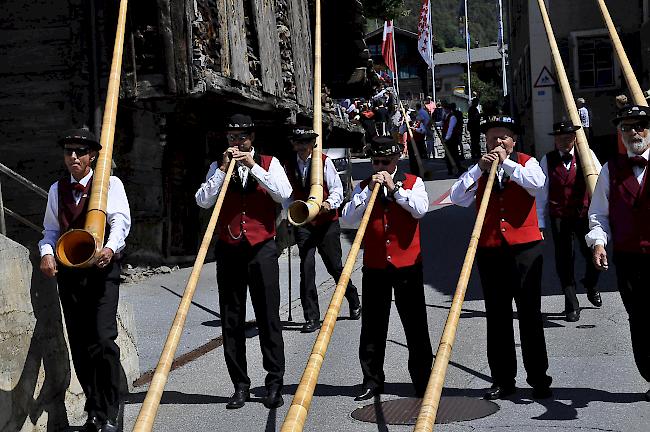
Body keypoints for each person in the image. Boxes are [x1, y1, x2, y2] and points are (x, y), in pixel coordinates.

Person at [450, 116, 553, 401]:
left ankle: (538, 378)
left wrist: (506, 162)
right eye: (492, 138)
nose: (497, 143)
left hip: (525, 250)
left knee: (530, 316)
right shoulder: (480, 169)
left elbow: (536, 183)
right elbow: (457, 197)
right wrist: (478, 170)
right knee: (497, 317)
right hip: (491, 249)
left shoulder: (527, 162)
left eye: (502, 138)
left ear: (513, 140)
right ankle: (503, 379)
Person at [195, 114, 292, 409]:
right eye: (233, 138)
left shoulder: (270, 163)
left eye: (243, 138)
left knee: (268, 317)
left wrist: (253, 166)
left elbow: (283, 194)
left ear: (252, 138)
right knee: (232, 319)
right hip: (229, 249)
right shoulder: (218, 167)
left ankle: (274, 382)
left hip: (262, 248)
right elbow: (203, 200)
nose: (238, 143)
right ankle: (240, 384)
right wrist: (223, 171)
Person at [39, 129, 131, 432]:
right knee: (80, 344)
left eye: (79, 152)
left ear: (92, 156)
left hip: (103, 271)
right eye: (69, 153)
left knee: (103, 340)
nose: (73, 158)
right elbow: (51, 230)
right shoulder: (56, 189)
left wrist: (109, 247)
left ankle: (112, 409)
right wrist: (47, 253)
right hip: (70, 273)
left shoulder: (110, 183)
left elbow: (120, 221)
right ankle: (94, 410)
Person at [341, 136, 433, 401]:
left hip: (407, 265)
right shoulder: (363, 187)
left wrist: (394, 190)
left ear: (396, 161)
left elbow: (420, 210)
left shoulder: (413, 183)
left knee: (415, 325)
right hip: (376, 264)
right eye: (376, 161)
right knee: (372, 326)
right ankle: (372, 379)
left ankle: (422, 380)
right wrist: (369, 191)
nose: (380, 166)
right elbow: (347, 219)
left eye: (386, 161)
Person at [586, 105, 650, 402]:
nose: (634, 131)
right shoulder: (611, 169)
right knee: (638, 318)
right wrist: (598, 242)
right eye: (627, 127)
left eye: (641, 125)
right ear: (620, 133)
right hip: (628, 259)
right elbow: (598, 212)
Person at [283, 127, 361, 333]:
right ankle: (311, 317)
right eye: (298, 143)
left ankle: (353, 299)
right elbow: (287, 194)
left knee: (334, 267)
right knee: (306, 269)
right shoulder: (289, 164)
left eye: (305, 143)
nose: (301, 147)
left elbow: (337, 189)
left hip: (326, 222)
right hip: (304, 223)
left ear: (312, 145)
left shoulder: (324, 162)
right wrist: (290, 212)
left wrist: (328, 203)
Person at [537, 121, 602, 322]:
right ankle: (571, 303)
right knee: (564, 259)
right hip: (559, 216)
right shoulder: (546, 160)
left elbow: (599, 182)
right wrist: (541, 222)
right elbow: (541, 194)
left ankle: (590, 283)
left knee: (592, 253)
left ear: (574, 138)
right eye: (559, 138)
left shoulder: (587, 155)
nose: (563, 141)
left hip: (584, 214)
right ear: (554, 140)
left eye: (567, 137)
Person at [442, 102, 465, 175]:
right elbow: (443, 124)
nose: (444, 110)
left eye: (446, 109)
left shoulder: (452, 117)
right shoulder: (446, 117)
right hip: (449, 139)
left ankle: (456, 168)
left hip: (452, 139)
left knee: (454, 154)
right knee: (448, 154)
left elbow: (450, 129)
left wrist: (446, 138)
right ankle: (450, 169)